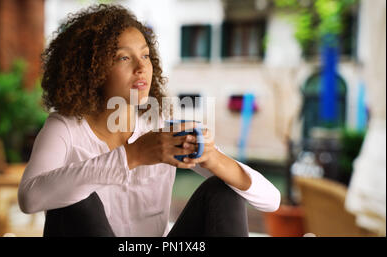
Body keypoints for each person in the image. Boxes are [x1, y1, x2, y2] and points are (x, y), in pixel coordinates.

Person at [18, 4, 280, 237]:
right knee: (74, 198)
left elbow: (272, 200)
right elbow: (29, 198)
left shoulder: (160, 124)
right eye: (123, 57)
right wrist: (133, 155)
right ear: (91, 69)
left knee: (222, 190)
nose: (141, 67)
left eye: (145, 55)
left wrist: (212, 158)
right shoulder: (64, 127)